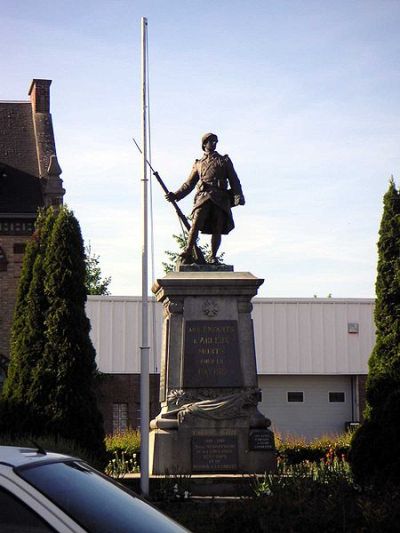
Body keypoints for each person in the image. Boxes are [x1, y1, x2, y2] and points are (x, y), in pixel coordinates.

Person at [166, 133, 245, 264]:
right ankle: (188, 251)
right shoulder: (198, 164)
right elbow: (189, 184)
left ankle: (213, 256)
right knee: (195, 224)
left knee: (217, 228)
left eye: (215, 141)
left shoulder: (224, 160)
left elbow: (234, 180)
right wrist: (176, 195)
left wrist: (238, 195)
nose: (214, 144)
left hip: (220, 198)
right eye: (211, 141)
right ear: (204, 144)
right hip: (203, 197)